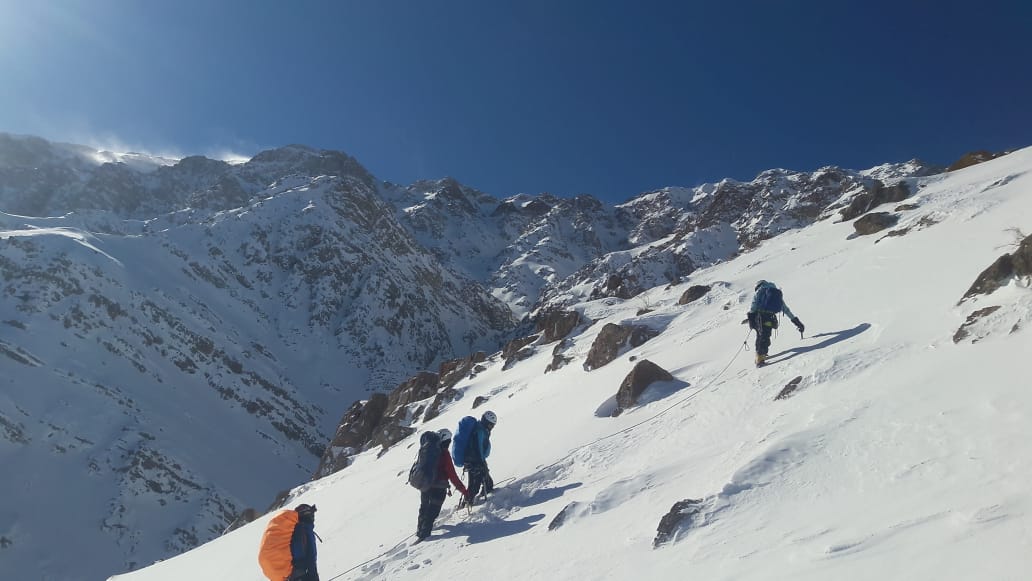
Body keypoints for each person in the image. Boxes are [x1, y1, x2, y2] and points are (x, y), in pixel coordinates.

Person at [416, 428, 470, 540]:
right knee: (433, 512)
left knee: (424, 508)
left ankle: (420, 531)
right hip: (439, 488)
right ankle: (424, 535)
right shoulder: (444, 454)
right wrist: (464, 490)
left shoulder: (426, 451)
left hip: (425, 485)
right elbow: (452, 475)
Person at [747, 280, 804, 366]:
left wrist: (751, 318)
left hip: (760, 317)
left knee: (760, 335)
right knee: (766, 335)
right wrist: (797, 322)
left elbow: (753, 306)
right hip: (770, 318)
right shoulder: (775, 292)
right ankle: (762, 353)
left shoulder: (760, 291)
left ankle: (760, 358)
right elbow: (785, 309)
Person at [458, 411, 496, 505]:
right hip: (475, 461)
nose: (491, 427)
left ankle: (469, 500)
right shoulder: (480, 431)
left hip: (474, 460)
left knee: (484, 482)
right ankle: (467, 502)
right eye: (491, 425)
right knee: (475, 485)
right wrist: (481, 463)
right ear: (486, 422)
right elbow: (478, 447)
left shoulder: (481, 429)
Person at [289, 504, 319, 581]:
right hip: (302, 573)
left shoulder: (293, 530)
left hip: (290, 575)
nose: (313, 517)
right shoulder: (306, 529)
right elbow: (311, 556)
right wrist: (314, 576)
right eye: (312, 514)